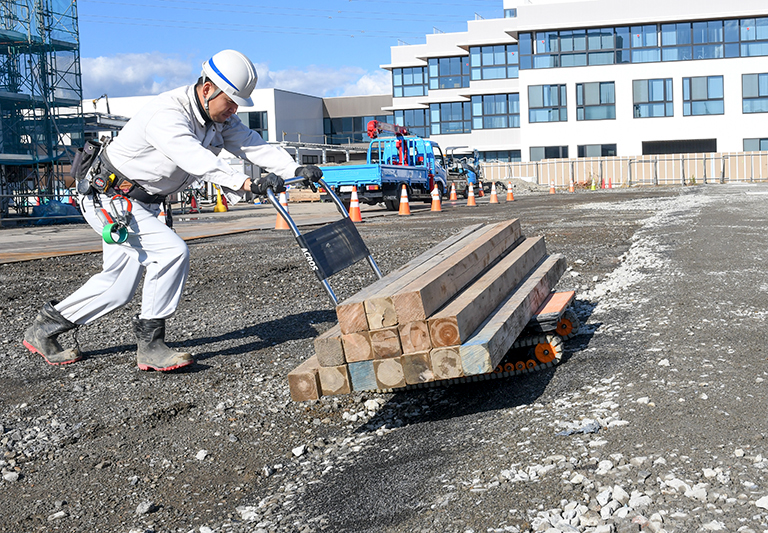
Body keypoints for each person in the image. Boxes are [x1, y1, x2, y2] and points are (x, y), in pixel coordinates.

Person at [22, 49, 323, 372]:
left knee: (117, 288)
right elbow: (197, 160)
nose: (234, 110)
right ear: (207, 88)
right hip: (110, 196)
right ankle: (150, 346)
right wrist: (246, 184)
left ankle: (44, 329)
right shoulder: (168, 113)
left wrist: (296, 169)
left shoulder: (217, 119)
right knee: (171, 252)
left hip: (139, 203)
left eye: (238, 104)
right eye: (231, 101)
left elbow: (253, 145)